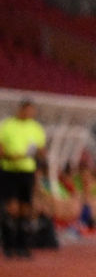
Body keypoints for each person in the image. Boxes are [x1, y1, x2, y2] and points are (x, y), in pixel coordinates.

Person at [0, 99, 48, 257]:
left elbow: (41, 150)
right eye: (28, 110)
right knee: (11, 207)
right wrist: (11, 156)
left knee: (25, 207)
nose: (30, 114)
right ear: (20, 110)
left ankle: (22, 244)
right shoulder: (7, 126)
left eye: (32, 111)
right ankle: (9, 244)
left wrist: (38, 154)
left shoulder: (36, 128)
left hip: (27, 171)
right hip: (9, 170)